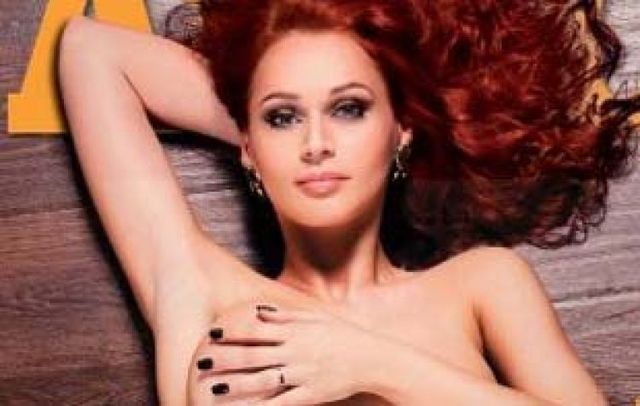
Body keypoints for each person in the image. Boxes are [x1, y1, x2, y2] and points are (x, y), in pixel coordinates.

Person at [56, 0, 639, 404]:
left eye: (349, 109)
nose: (316, 144)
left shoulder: (480, 285)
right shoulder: (201, 289)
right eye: (283, 118)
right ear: (249, 147)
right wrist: (267, 121)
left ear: (402, 130)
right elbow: (92, 52)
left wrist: (370, 363)